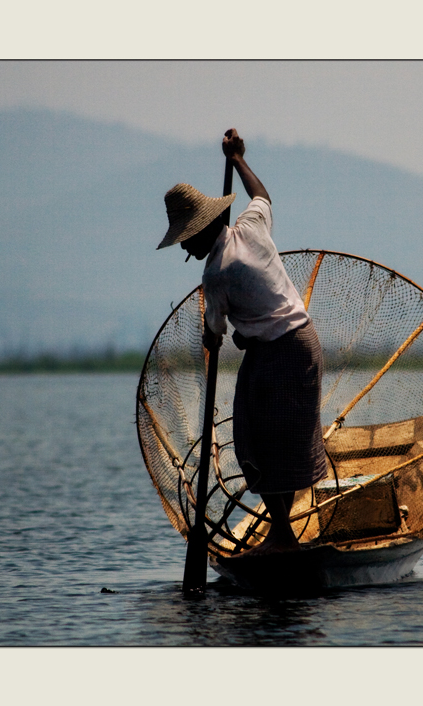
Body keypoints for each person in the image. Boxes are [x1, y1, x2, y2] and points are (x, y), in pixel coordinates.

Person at [157, 128, 327, 557]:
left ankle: (282, 537)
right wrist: (238, 159)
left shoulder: (215, 274)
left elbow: (213, 333)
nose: (188, 247)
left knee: (265, 440)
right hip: (301, 343)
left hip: (280, 352)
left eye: (189, 238)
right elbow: (262, 195)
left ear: (204, 229)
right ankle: (282, 533)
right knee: (270, 436)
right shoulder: (251, 227)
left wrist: (213, 336)